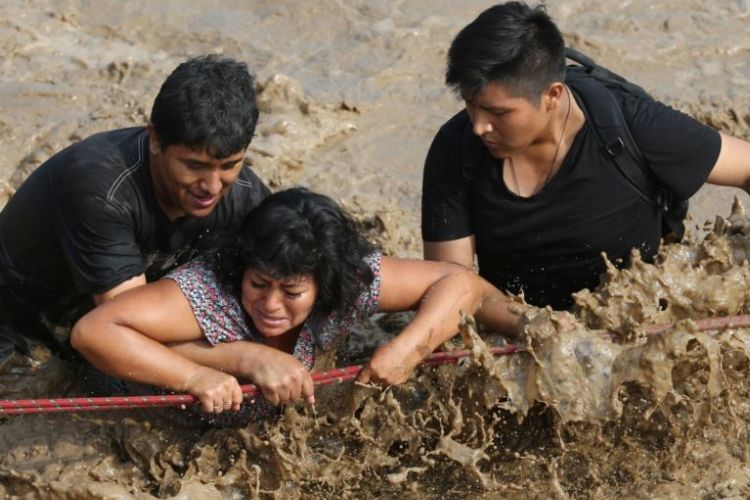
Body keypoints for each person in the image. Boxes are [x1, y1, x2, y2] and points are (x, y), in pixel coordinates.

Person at [70, 188, 518, 420]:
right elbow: (92, 332)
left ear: (324, 286)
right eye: (259, 283)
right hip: (150, 415)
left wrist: (405, 351)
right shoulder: (207, 291)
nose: (270, 305)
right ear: (242, 267)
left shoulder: (349, 283)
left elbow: (460, 282)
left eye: (292, 292)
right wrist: (205, 371)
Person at [421, 2, 750, 310]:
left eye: (497, 112)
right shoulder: (455, 151)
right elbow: (451, 286)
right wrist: (531, 327)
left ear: (552, 95)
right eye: (470, 105)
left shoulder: (631, 124)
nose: (479, 127)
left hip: (634, 316)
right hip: (518, 328)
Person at [0, 55, 270, 360]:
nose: (212, 186)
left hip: (94, 315)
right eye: (194, 165)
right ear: (155, 139)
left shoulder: (243, 195)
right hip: (17, 317)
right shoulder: (99, 189)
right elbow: (127, 328)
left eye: (230, 165)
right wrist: (250, 359)